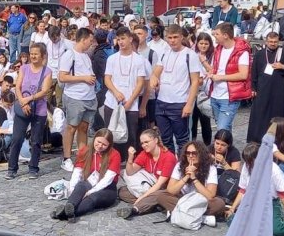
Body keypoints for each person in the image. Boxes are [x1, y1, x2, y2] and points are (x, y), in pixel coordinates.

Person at [225, 141, 284, 234]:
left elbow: (282, 195)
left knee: (276, 229)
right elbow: (242, 190)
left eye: (251, 161)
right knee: (233, 223)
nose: (248, 164)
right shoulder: (247, 166)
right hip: (252, 201)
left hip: (270, 202)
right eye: (247, 162)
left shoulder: (274, 170)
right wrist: (232, 209)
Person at [149, 24, 203, 154]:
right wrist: (154, 78)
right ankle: (171, 166)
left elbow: (195, 81)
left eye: (175, 37)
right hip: (162, 102)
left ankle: (183, 167)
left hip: (179, 102)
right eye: (169, 37)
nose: (172, 40)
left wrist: (189, 104)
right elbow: (156, 72)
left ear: (181, 37)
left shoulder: (190, 55)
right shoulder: (164, 53)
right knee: (165, 139)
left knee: (182, 140)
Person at [5, 43, 53, 180]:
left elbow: (44, 91)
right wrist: (22, 101)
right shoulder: (24, 68)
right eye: (31, 53)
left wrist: (29, 99)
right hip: (23, 107)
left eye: (36, 54)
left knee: (36, 140)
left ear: (42, 56)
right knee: (17, 138)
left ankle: (33, 167)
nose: (33, 56)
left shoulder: (47, 72)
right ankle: (12, 168)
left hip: (39, 109)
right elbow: (18, 87)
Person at [51, 128, 122, 221]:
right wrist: (72, 188)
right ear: (94, 138)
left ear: (109, 145)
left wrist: (90, 192)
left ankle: (64, 214)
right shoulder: (85, 150)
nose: (100, 146)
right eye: (98, 142)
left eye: (104, 144)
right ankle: (70, 206)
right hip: (90, 182)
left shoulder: (114, 154)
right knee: (80, 185)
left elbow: (107, 179)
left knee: (93, 198)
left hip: (108, 188)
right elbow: (77, 172)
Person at [101, 26, 146, 158]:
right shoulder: (112, 58)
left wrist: (131, 100)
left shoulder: (138, 59)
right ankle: (111, 159)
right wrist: (116, 92)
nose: (121, 42)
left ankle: (130, 161)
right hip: (112, 101)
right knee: (111, 133)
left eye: (123, 38)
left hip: (131, 104)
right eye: (118, 39)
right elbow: (107, 79)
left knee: (131, 134)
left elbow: (140, 82)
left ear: (130, 39)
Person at [59, 27, 98, 172]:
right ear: (83, 39)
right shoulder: (70, 55)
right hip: (75, 96)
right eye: (90, 40)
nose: (91, 43)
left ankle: (82, 157)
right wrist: (84, 78)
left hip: (89, 97)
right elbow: (62, 77)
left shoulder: (86, 56)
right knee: (71, 127)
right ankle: (67, 157)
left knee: (84, 127)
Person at [247, 30, 284, 143]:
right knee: (260, 113)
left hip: (277, 89)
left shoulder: (283, 52)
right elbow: (254, 72)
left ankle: (276, 138)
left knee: (276, 113)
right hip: (262, 88)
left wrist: (283, 66)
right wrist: (253, 88)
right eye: (270, 41)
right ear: (266, 41)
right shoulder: (260, 54)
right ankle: (257, 138)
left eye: (275, 42)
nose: (273, 44)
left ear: (278, 41)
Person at [117, 128, 178, 217]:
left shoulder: (168, 157)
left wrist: (142, 197)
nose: (144, 145)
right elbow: (130, 172)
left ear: (156, 140)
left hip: (164, 189)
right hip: (147, 186)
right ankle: (156, 205)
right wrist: (130, 158)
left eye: (146, 142)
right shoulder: (144, 154)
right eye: (142, 143)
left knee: (157, 195)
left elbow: (159, 185)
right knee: (122, 192)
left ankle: (136, 209)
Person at [204, 22, 251, 132]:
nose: (214, 36)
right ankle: (228, 149)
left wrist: (220, 77)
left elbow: (243, 74)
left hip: (229, 97)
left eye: (216, 34)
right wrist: (210, 73)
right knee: (224, 130)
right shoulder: (218, 49)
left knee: (222, 129)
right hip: (215, 94)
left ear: (225, 35)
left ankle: (223, 148)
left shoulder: (241, 52)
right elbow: (215, 69)